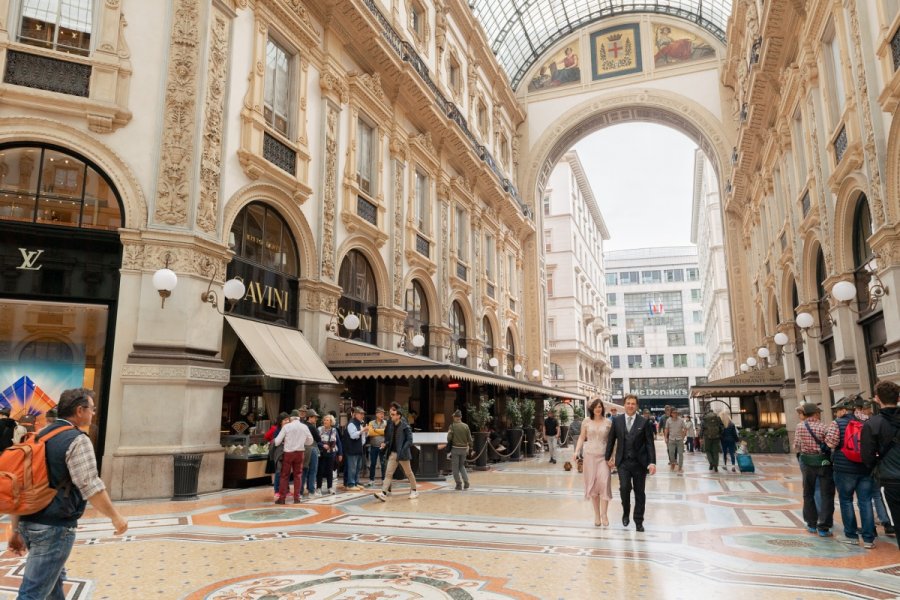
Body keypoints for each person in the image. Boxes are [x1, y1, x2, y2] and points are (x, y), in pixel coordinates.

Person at [7, 388, 128, 599]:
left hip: (29, 522)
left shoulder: (38, 435)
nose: (93, 413)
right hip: (54, 528)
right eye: (92, 409)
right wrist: (116, 518)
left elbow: (21, 487)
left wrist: (16, 528)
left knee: (54, 585)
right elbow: (90, 485)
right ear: (80, 410)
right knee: (32, 594)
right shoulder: (77, 440)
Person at [825, 397, 876, 548]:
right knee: (865, 501)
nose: (836, 413)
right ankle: (868, 539)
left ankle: (851, 535)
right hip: (865, 467)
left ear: (843, 410)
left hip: (844, 468)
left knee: (846, 500)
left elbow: (830, 443)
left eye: (837, 410)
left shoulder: (837, 423)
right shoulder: (867, 422)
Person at [605, 394, 657, 532]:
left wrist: (652, 462)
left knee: (640, 493)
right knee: (624, 488)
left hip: (640, 463)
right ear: (624, 404)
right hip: (623, 462)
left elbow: (650, 444)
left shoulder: (644, 422)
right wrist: (607, 458)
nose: (630, 405)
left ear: (637, 406)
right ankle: (626, 512)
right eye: (628, 403)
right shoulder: (617, 421)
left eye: (633, 403)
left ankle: (639, 520)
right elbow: (611, 440)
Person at [861, 380, 900, 550]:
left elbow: (867, 456)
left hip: (890, 479)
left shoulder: (872, 424)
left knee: (897, 518)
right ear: (898, 397)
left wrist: (876, 468)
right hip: (890, 476)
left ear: (877, 399)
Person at [793, 402, 835, 537]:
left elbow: (796, 445)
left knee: (808, 492)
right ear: (816, 413)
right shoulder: (824, 426)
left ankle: (811, 524)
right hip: (822, 462)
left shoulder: (800, 426)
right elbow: (831, 443)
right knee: (826, 494)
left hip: (806, 462)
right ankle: (823, 527)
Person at [574, 398, 613, 527]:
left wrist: (612, 457)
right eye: (595, 406)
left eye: (600, 406)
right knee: (593, 487)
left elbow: (612, 442)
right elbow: (581, 437)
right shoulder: (586, 421)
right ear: (592, 408)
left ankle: (604, 514)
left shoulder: (608, 422)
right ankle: (597, 515)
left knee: (604, 483)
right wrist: (576, 451)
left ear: (602, 408)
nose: (598, 409)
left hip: (603, 457)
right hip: (589, 457)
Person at [374, 403, 418, 501]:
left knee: (408, 473)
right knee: (388, 474)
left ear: (399, 416)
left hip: (403, 454)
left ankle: (414, 490)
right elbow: (389, 438)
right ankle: (383, 493)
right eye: (391, 414)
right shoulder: (391, 425)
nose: (391, 416)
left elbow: (410, 440)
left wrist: (403, 449)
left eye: (393, 414)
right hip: (393, 453)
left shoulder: (405, 425)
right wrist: (385, 443)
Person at [273, 409, 313, 504]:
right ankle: (297, 498)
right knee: (298, 475)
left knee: (284, 476)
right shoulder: (304, 427)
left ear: (291, 417)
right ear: (299, 417)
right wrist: (302, 442)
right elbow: (310, 441)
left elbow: (277, 442)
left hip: (288, 453)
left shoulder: (287, 427)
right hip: (300, 453)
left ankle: (282, 498)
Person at [265, 412, 291, 499]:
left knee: (286, 472)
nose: (287, 421)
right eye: (285, 420)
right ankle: (277, 490)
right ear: (280, 421)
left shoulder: (290, 429)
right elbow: (276, 442)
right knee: (279, 472)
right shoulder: (277, 430)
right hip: (279, 454)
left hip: (287, 452)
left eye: (288, 420)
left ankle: (286, 490)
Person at [447, 409, 473, 490]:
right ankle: (466, 482)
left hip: (455, 449)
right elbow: (470, 439)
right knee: (461, 466)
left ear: (455, 417)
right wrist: (471, 447)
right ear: (460, 417)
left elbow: (449, 438)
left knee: (455, 468)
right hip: (464, 449)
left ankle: (458, 484)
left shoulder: (452, 426)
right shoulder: (466, 426)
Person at [317, 414, 342, 495]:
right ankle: (318, 487)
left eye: (327, 420)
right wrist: (322, 445)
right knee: (320, 471)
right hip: (321, 452)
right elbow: (316, 440)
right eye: (324, 420)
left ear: (331, 422)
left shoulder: (334, 430)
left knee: (329, 471)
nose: (325, 421)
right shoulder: (319, 429)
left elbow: (338, 442)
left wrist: (340, 453)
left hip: (332, 453)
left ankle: (330, 487)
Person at [343, 407, 367, 491]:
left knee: (357, 467)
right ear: (355, 414)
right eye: (360, 414)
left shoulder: (359, 424)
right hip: (351, 449)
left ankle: (356, 482)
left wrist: (364, 432)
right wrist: (362, 431)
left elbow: (362, 438)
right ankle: (350, 484)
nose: (362, 416)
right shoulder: (351, 424)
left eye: (363, 414)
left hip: (358, 449)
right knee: (352, 468)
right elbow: (353, 435)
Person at [302, 409, 322, 497]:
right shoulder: (312, 427)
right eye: (315, 417)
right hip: (312, 448)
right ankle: (311, 491)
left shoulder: (302, 425)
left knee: (304, 470)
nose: (316, 419)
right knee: (313, 470)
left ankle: (300, 491)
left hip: (303, 449)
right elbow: (318, 439)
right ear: (310, 417)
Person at [367, 407, 387, 487]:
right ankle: (371, 480)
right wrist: (380, 431)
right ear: (376, 414)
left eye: (383, 413)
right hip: (373, 446)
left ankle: (384, 479)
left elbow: (386, 432)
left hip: (383, 446)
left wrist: (376, 430)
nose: (382, 415)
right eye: (380, 413)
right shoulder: (371, 423)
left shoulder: (386, 423)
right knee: (373, 463)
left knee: (383, 464)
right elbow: (371, 433)